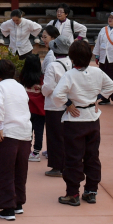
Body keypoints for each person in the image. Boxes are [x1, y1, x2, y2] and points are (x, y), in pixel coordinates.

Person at [52, 40, 113, 206]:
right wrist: (99, 98)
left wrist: (68, 104)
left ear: (72, 58)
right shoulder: (97, 72)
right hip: (93, 118)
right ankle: (91, 191)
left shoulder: (70, 75)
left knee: (73, 157)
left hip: (75, 120)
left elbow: (57, 95)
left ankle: (73, 193)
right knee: (92, 156)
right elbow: (111, 86)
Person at [0, 59, 32, 221]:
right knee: (20, 170)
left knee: (4, 171)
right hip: (24, 132)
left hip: (7, 133)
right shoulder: (20, 87)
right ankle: (18, 203)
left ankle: (7, 208)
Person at [41, 36, 72, 177]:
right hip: (68, 104)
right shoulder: (71, 63)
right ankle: (67, 163)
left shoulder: (53, 65)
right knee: (65, 135)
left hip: (54, 105)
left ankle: (57, 166)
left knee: (54, 137)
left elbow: (48, 87)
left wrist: (42, 91)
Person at [19, 54, 45, 162]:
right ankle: (36, 152)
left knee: (27, 131)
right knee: (39, 131)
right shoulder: (41, 78)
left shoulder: (23, 77)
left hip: (26, 109)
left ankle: (25, 150)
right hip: (40, 109)